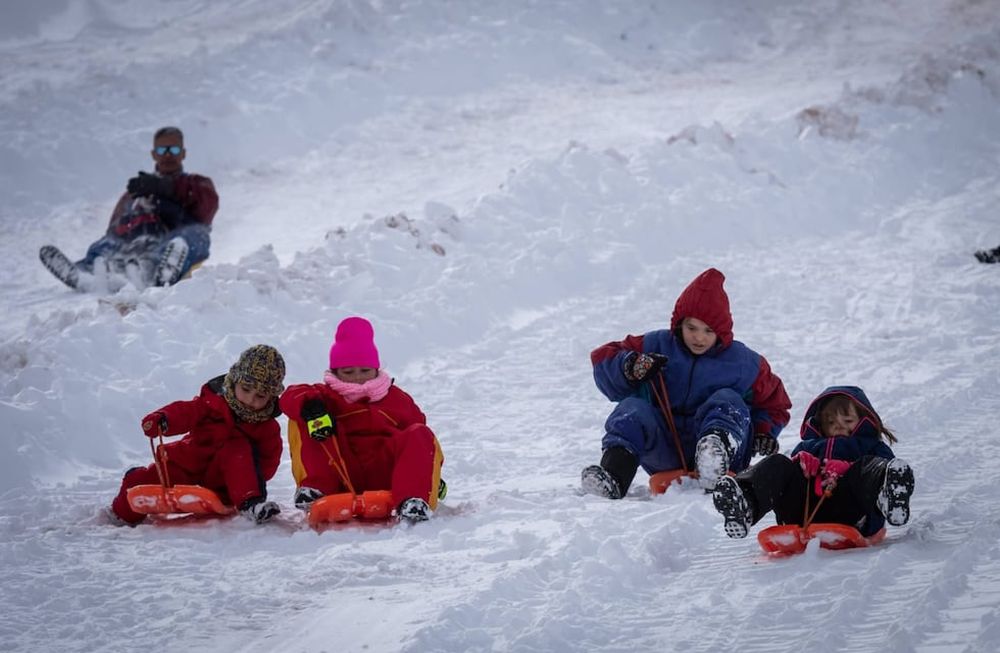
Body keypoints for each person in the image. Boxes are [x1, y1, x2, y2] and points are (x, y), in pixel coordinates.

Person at [581, 267, 791, 498]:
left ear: (722, 332)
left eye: (708, 331)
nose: (699, 338)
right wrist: (631, 366)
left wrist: (764, 432)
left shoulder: (744, 363)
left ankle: (714, 454)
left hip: (729, 454)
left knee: (727, 399)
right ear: (679, 323)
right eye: (692, 328)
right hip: (668, 452)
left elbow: (775, 404)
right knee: (632, 408)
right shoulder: (657, 345)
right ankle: (614, 475)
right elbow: (603, 358)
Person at [279, 316, 445, 524]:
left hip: (385, 472)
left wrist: (426, 474)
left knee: (419, 432)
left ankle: (413, 500)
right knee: (303, 415)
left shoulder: (396, 398)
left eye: (365, 370)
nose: (358, 377)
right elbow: (288, 397)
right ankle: (316, 489)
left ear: (376, 369)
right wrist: (312, 407)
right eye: (349, 372)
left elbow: (420, 443)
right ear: (336, 372)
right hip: (340, 472)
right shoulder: (325, 395)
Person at [108, 345, 286, 526]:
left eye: (260, 396)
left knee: (236, 448)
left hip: (226, 483)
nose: (250, 400)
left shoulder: (266, 428)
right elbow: (185, 412)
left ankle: (251, 504)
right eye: (246, 389)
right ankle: (121, 516)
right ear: (234, 381)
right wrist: (164, 420)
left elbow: (268, 464)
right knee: (139, 480)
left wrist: (247, 473)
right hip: (189, 465)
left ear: (271, 397)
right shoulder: (211, 404)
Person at [712, 386, 916, 539]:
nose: (839, 428)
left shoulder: (870, 446)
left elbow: (885, 463)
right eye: (831, 423)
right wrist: (800, 464)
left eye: (847, 421)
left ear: (863, 419)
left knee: (870, 467)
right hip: (802, 514)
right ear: (820, 423)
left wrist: (849, 469)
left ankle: (888, 499)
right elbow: (787, 478)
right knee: (779, 463)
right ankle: (746, 503)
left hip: (853, 514)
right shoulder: (808, 446)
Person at [39, 126, 218, 289]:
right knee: (107, 242)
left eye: (174, 149)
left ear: (183, 153)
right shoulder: (137, 191)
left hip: (174, 240)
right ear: (154, 154)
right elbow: (114, 225)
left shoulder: (196, 183)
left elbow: (208, 207)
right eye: (162, 150)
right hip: (137, 245)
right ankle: (86, 273)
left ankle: (163, 270)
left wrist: (164, 187)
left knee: (195, 234)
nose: (168, 155)